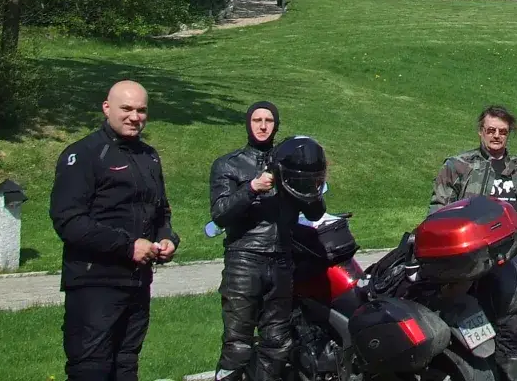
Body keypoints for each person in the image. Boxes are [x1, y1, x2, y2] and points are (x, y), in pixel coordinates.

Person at [49, 80, 179, 381]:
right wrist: (128, 246)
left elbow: (161, 211)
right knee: (91, 369)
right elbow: (68, 221)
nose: (135, 117)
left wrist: (166, 238)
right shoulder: (84, 154)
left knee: (126, 366)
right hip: (94, 282)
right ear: (107, 108)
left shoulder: (149, 156)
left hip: (136, 283)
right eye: (127, 109)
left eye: (142, 110)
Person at [429, 105, 517, 381]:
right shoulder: (459, 165)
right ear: (481, 132)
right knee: (467, 325)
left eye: (503, 131)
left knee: (512, 327)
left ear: (509, 134)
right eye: (491, 130)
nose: (496, 136)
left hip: (510, 261)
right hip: (468, 263)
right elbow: (437, 211)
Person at [209, 103, 327, 381]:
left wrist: (309, 185)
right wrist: (251, 188)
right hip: (244, 259)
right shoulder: (229, 164)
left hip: (282, 260)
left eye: (269, 120)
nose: (263, 126)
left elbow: (316, 212)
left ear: (277, 125)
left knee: (278, 343)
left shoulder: (289, 163)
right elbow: (220, 213)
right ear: (247, 123)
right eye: (257, 120)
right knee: (237, 345)